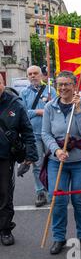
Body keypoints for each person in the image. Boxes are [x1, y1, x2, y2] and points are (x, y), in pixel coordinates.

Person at [42, 71, 81, 255]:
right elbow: (45, 133)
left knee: (80, 199)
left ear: (74, 85)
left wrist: (79, 110)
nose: (63, 88)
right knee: (57, 199)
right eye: (60, 85)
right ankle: (59, 238)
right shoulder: (50, 107)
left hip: (80, 161)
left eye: (67, 84)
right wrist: (57, 150)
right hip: (57, 162)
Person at [0, 74, 38, 246]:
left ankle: (5, 229)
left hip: (5, 157)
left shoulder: (15, 103)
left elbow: (27, 131)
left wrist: (29, 157)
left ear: (3, 84)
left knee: (4, 194)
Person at [20, 65, 57, 207]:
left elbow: (55, 108)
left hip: (49, 133)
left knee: (53, 163)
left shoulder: (50, 90)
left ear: (41, 75)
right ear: (27, 76)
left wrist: (46, 108)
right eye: (30, 74)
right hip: (33, 134)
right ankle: (40, 192)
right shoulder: (23, 93)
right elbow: (23, 113)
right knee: (37, 165)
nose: (33, 76)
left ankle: (53, 191)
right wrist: (39, 111)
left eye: (35, 73)